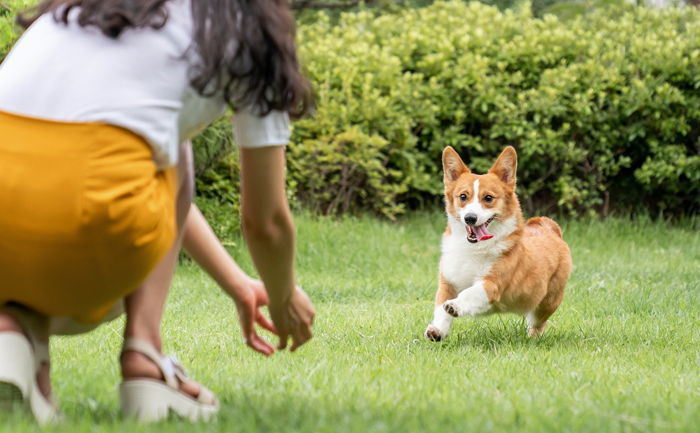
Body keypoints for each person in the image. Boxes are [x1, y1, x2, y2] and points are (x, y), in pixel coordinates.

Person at [0, 0, 315, 424]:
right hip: (88, 229)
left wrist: (237, 283)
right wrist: (282, 300)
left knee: (43, 203)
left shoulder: (83, 9)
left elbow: (130, 180)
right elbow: (266, 222)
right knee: (170, 148)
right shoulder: (246, 27)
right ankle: (145, 353)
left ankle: (14, 335)